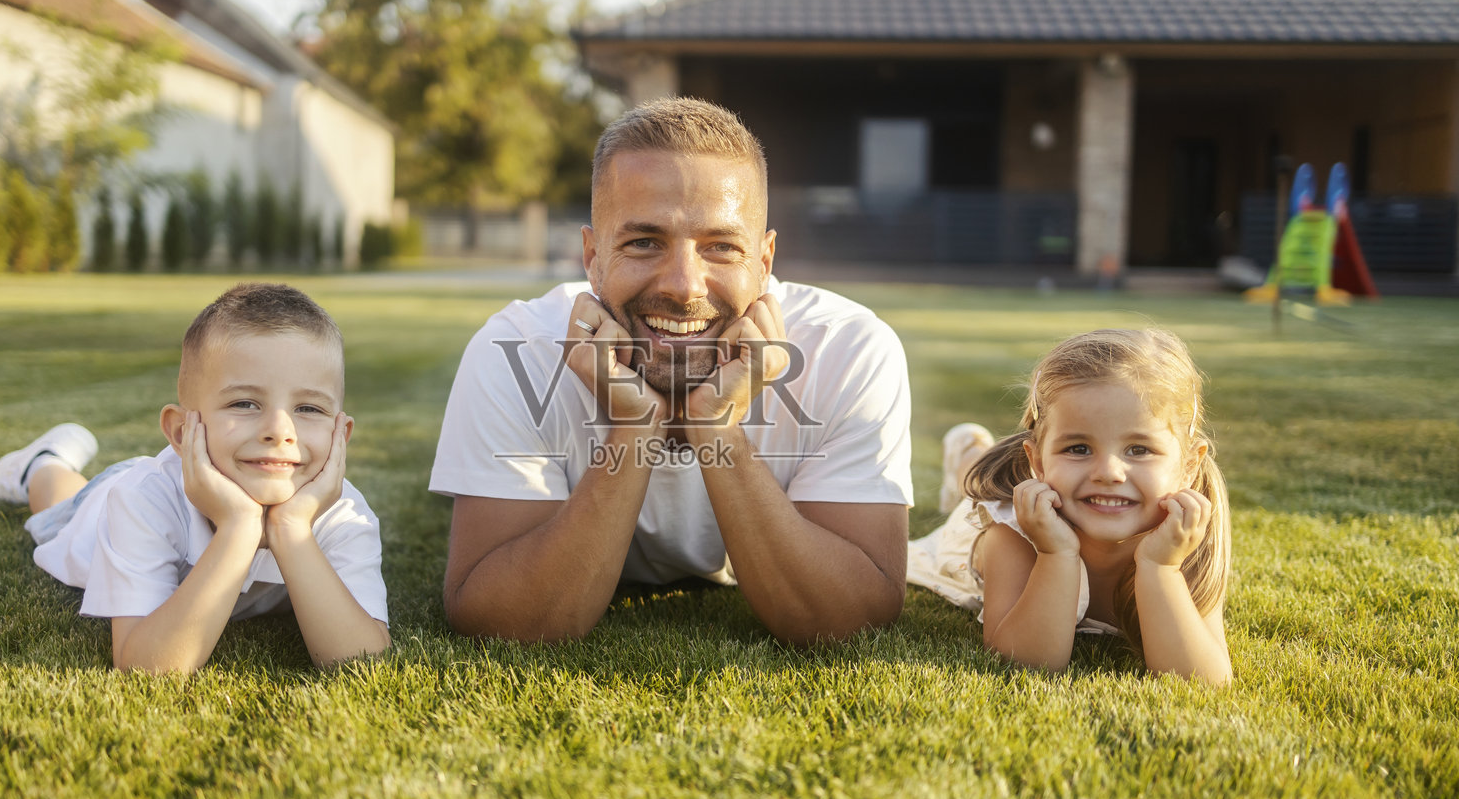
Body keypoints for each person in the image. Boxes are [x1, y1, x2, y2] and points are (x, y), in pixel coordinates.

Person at [430, 97, 913, 643]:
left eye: (721, 247)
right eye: (644, 242)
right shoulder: (514, 347)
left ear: (765, 260)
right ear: (592, 257)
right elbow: (499, 620)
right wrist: (636, 426)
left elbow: (853, 618)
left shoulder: (848, 347)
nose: (683, 286)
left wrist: (716, 427)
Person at [0, 283, 390, 673]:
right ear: (181, 431)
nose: (280, 431)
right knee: (59, 504)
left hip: (187, 474)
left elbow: (361, 661)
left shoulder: (344, 515)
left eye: (310, 410)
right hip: (100, 506)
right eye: (245, 403)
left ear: (342, 434)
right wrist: (238, 527)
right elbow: (145, 666)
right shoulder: (141, 502)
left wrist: (291, 528)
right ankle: (42, 461)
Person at [907, 328, 1232, 684]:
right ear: (1039, 463)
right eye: (1078, 448)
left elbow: (1205, 681)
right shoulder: (1010, 534)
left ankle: (975, 453)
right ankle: (969, 452)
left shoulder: (1184, 537)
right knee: (973, 485)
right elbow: (1025, 663)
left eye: (1139, 450)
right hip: (978, 528)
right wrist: (1055, 555)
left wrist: (1160, 567)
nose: (1109, 472)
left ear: (1189, 466)